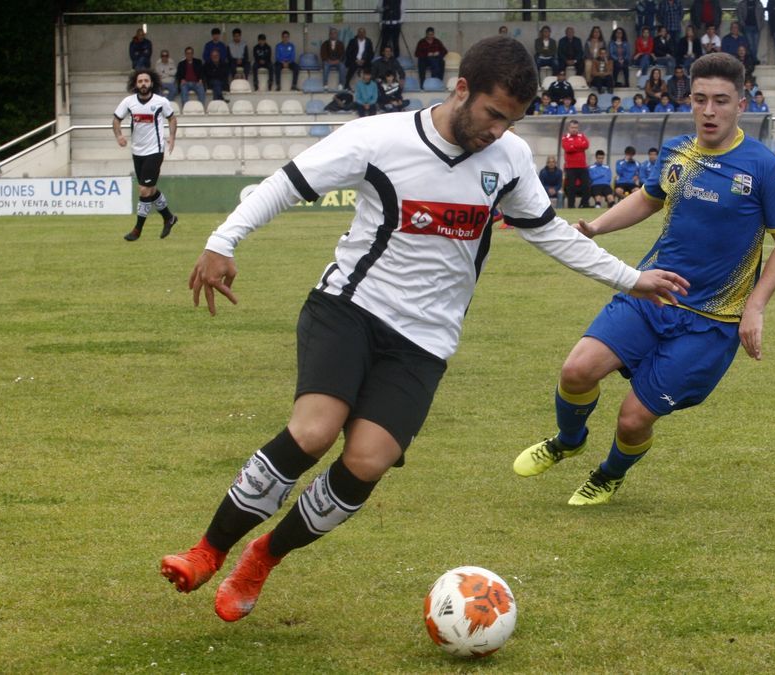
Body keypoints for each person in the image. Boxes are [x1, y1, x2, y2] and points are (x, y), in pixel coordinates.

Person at [158, 36, 686, 622]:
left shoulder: (508, 160)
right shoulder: (377, 139)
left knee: (368, 461)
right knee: (314, 430)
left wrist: (631, 278)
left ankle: (263, 558)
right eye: (491, 115)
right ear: (461, 89)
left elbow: (551, 232)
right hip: (350, 308)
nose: (497, 132)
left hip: (425, 340)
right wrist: (220, 243)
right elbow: (286, 183)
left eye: (510, 121)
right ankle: (207, 550)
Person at [513, 51, 775, 505]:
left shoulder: (764, 168)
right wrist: (593, 227)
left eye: (721, 101)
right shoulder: (678, 152)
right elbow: (648, 199)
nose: (709, 110)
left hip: (712, 322)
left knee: (632, 419)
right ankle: (568, 440)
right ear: (690, 100)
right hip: (652, 294)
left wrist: (756, 308)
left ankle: (608, 474)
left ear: (741, 105)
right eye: (701, 99)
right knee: (576, 370)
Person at [113, 69, 178, 241]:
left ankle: (137, 229)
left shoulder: (160, 101)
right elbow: (116, 119)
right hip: (137, 152)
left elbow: (172, 118)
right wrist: (119, 135)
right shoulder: (128, 102)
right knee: (151, 189)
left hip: (155, 150)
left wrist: (172, 137)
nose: (143, 84)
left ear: (152, 83)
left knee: (143, 189)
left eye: (146, 81)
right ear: (135, 84)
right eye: (140, 81)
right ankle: (169, 218)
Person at [563, 119, 591, 208]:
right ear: (569, 128)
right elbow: (567, 148)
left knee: (586, 186)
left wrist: (573, 146)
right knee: (571, 187)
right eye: (572, 127)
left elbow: (586, 145)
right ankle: (571, 206)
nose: (574, 129)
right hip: (570, 167)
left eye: (576, 127)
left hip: (582, 166)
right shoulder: (565, 137)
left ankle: (584, 204)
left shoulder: (582, 136)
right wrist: (579, 146)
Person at [736, 0, 764, 65]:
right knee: (750, 45)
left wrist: (761, 25)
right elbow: (739, 14)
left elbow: (762, 15)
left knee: (755, 45)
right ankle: (754, 59)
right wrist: (743, 24)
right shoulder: (742, 3)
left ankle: (753, 59)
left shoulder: (758, 3)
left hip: (757, 27)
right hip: (747, 27)